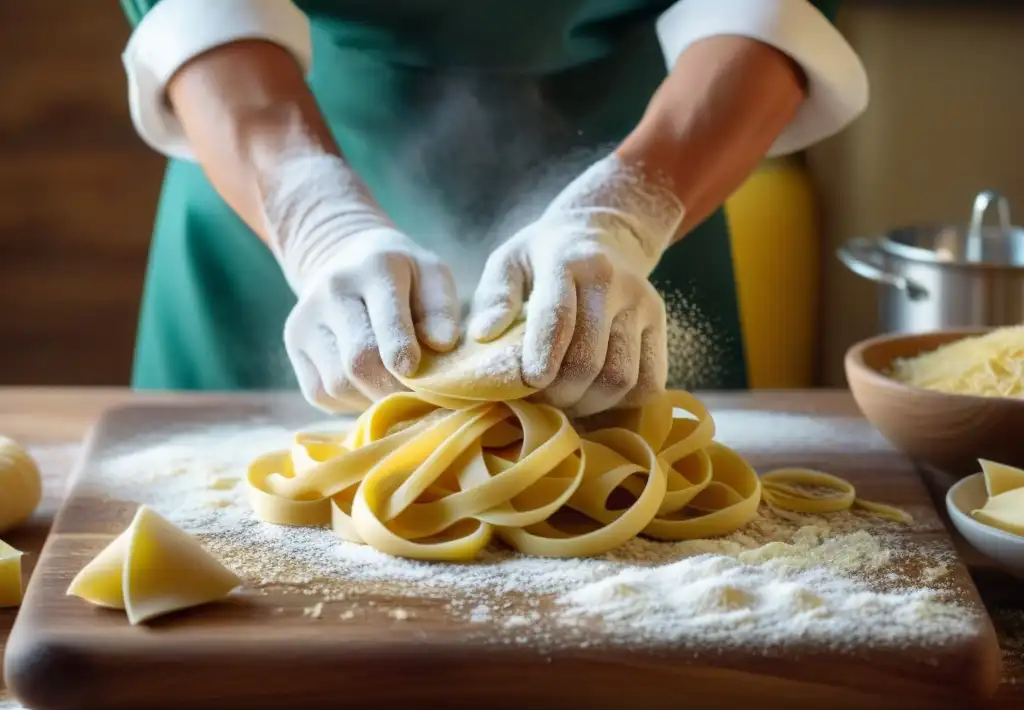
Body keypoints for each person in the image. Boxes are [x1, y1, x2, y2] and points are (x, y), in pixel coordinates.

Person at [120, 0, 867, 417]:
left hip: (662, 153)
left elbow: (768, 12)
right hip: (270, 155)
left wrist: (629, 211)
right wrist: (318, 220)